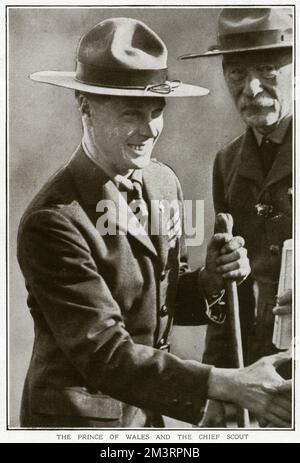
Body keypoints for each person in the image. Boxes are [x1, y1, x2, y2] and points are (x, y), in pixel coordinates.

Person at [17, 17, 291, 428]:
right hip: (79, 425)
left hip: (146, 420)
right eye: (132, 114)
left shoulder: (162, 183)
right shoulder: (53, 221)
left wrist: (211, 281)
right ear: (85, 107)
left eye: (156, 111)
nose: (149, 131)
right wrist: (223, 385)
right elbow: (105, 352)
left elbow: (167, 298)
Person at [179, 8, 293, 426]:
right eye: (237, 73)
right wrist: (221, 385)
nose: (252, 88)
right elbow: (228, 286)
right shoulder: (228, 163)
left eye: (267, 70)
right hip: (264, 376)